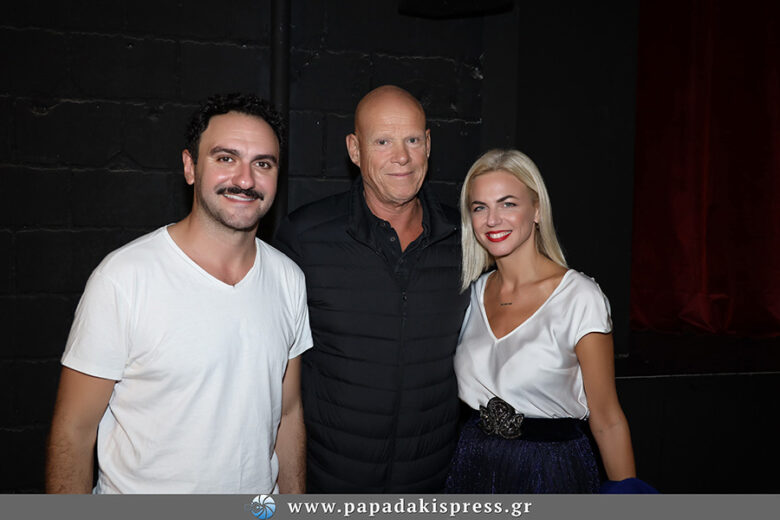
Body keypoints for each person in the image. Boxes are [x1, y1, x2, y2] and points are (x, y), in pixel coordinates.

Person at [45, 93, 312, 494]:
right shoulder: (124, 278)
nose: (245, 180)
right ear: (190, 167)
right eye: (226, 158)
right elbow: (73, 432)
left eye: (263, 164)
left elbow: (288, 415)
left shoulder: (288, 279)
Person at [274, 85, 470, 493]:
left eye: (412, 140)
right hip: (331, 484)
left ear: (428, 144)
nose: (402, 157)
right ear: (355, 149)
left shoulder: (466, 239)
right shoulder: (306, 237)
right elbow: (273, 375)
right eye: (383, 142)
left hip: (432, 486)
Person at [446, 149, 636, 493]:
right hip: (472, 465)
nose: (492, 220)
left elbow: (607, 420)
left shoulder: (579, 297)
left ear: (536, 210)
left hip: (550, 472)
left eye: (508, 204)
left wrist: (630, 498)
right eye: (480, 207)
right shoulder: (471, 294)